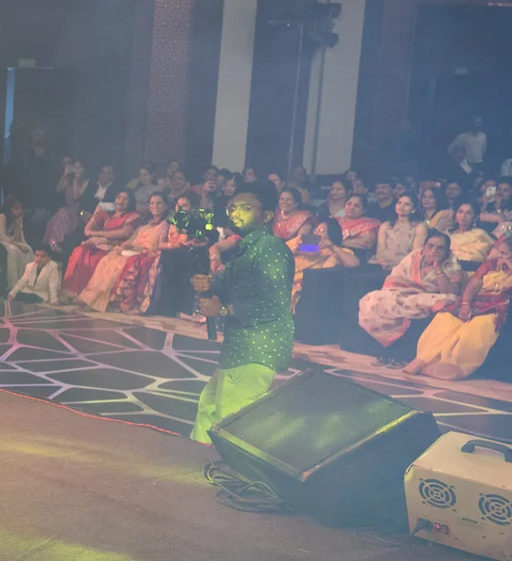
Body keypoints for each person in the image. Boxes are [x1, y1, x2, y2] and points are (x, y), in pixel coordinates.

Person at [190, 184, 294, 444]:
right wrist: (207, 285)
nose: (236, 213)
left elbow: (272, 305)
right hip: (240, 344)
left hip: (258, 344)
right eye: (233, 208)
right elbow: (224, 285)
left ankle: (235, 475)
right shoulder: (246, 250)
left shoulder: (271, 249)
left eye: (246, 208)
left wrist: (223, 309)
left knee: (234, 420)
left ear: (266, 215)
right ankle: (196, 461)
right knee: (210, 407)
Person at [406, 237, 512, 379]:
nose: (499, 256)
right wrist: (466, 304)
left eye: (504, 253)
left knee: (477, 327)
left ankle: (453, 367)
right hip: (478, 301)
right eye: (499, 252)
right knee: (446, 318)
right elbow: (473, 286)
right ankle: (424, 360)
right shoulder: (490, 264)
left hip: (499, 306)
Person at [358, 230, 465, 365]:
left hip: (427, 296)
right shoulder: (414, 257)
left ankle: (398, 354)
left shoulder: (451, 264)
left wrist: (438, 268)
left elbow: (451, 292)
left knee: (444, 300)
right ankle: (389, 351)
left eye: (440, 248)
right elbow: (396, 278)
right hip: (402, 293)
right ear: (424, 246)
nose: (434, 251)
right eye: (430, 246)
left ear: (447, 251)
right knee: (373, 299)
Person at [80, 193, 171, 312]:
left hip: (145, 253)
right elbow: (132, 239)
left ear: (165, 206)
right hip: (131, 250)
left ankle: (108, 301)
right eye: (152, 203)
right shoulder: (145, 223)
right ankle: (93, 298)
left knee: (118, 265)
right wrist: (123, 246)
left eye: (159, 203)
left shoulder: (165, 225)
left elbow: (158, 245)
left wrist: (139, 250)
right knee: (107, 260)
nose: (155, 206)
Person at [63, 189, 139, 297]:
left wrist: (99, 234)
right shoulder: (107, 214)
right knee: (79, 251)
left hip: (114, 248)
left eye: (125, 199)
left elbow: (124, 233)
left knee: (94, 259)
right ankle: (72, 292)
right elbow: (87, 230)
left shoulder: (133, 216)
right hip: (99, 245)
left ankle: (86, 295)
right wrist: (95, 214)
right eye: (118, 197)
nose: (120, 201)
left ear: (130, 202)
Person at [290, 217, 358, 305]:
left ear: (331, 235)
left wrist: (333, 246)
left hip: (306, 286)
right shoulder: (306, 246)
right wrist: (293, 251)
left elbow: (353, 263)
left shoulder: (337, 251)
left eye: (321, 231)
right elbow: (279, 252)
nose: (316, 233)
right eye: (316, 229)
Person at [10, 127, 61, 222]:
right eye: (36, 133)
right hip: (25, 200)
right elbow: (20, 177)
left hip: (44, 203)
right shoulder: (25, 153)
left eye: (41, 133)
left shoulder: (51, 156)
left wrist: (42, 159)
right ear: (31, 134)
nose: (38, 136)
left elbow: (52, 182)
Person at [374, 192, 428, 270]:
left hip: (406, 268)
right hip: (384, 266)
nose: (401, 206)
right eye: (399, 203)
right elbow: (380, 253)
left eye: (406, 204)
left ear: (414, 209)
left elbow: (415, 255)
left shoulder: (420, 226)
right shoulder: (386, 226)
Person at [0, 197, 35, 285]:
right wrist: (18, 245)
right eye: (16, 209)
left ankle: (26, 281)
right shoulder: (2, 216)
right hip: (2, 241)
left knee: (28, 249)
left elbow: (19, 239)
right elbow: (1, 235)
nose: (19, 211)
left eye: (20, 208)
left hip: (12, 240)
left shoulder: (18, 218)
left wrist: (18, 226)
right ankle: (13, 283)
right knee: (13, 250)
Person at [447, 201, 493, 267]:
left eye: (468, 213)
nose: (463, 215)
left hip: (472, 269)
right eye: (460, 212)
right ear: (455, 214)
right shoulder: (448, 233)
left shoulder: (480, 234)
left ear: (475, 217)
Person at [336, 194, 380, 259]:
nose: (351, 208)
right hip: (327, 254)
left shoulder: (369, 224)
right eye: (349, 204)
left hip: (355, 258)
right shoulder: (335, 220)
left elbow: (366, 243)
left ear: (364, 210)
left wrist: (334, 243)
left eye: (357, 206)